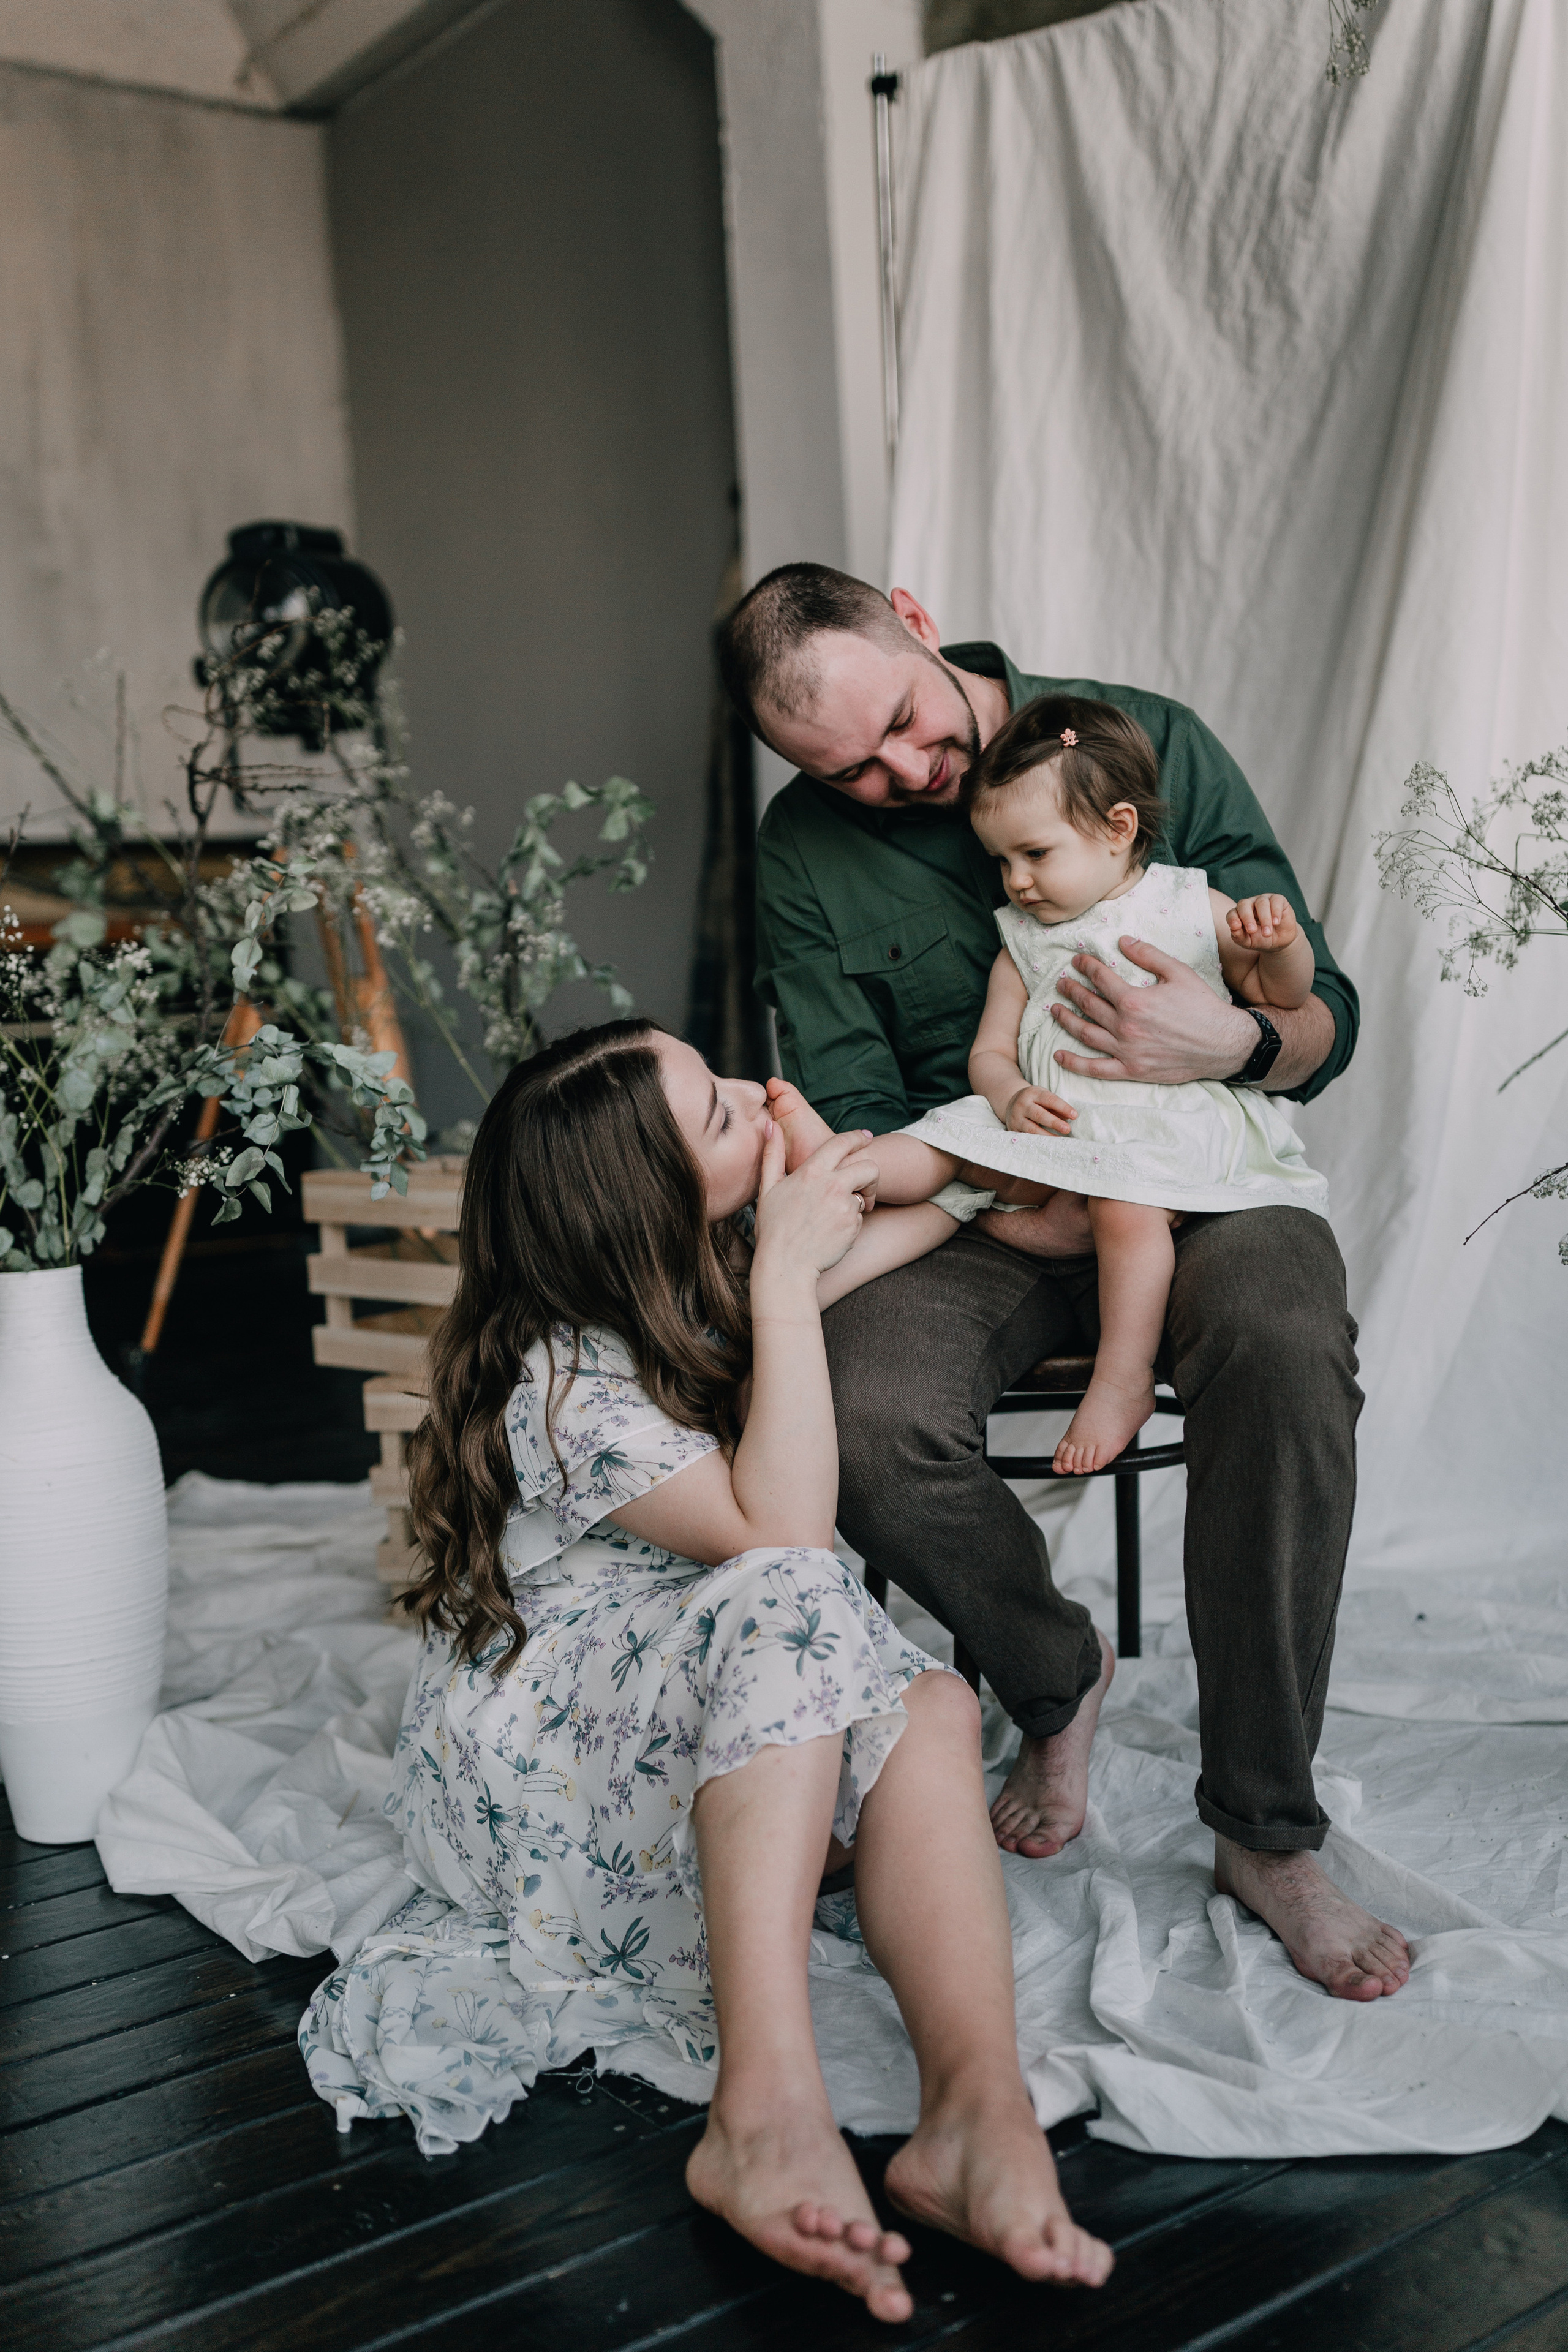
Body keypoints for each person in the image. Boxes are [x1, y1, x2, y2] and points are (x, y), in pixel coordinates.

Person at [723, 562, 1411, 2006]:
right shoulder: (799, 850)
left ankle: (1263, 1830)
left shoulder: (1134, 738)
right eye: (850, 771)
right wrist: (1004, 1183)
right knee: (853, 1409)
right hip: (985, 1196)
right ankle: (1053, 1675)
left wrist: (1222, 1040)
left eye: (908, 723)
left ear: (915, 617)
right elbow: (857, 1106)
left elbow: (1315, 1013)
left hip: (1200, 1167)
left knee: (1285, 1342)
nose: (907, 774)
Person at [357, 1020, 1114, 2320]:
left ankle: (974, 2115)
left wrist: (923, 1183)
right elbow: (786, 1539)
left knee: (929, 1702)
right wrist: (782, 1282)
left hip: (703, 1673)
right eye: (717, 1115)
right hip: (557, 1766)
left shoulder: (697, 1271)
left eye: (717, 1075)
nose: (752, 1097)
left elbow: (905, 1227)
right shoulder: (557, 1387)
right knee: (792, 1590)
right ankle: (762, 2109)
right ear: (638, 1210)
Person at [771, 692, 1330, 1479]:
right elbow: (990, 1054)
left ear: (1118, 830)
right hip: (1049, 1130)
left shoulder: (1188, 906)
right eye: (1002, 861)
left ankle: (1121, 1378)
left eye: (1034, 854)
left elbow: (1285, 999)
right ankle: (835, 1182)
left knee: (1125, 1208)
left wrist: (1281, 945)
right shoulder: (1022, 941)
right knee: (942, 1151)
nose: (1017, 881)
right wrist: (1005, 1098)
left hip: (1152, 1130)